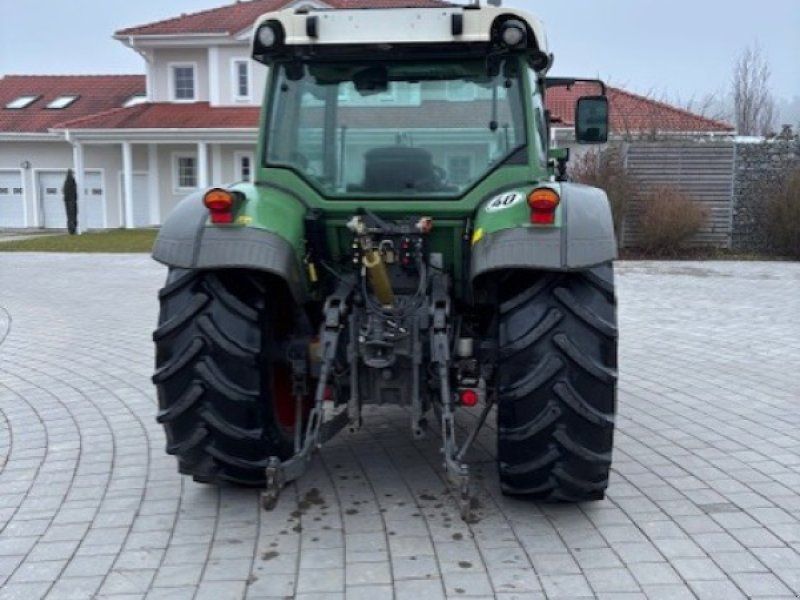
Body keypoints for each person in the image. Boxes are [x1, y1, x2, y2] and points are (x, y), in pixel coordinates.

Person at [63, 169, 78, 235]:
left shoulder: (66, 181)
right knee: (73, 215)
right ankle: (72, 229)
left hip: (67, 201)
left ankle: (71, 229)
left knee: (69, 216)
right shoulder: (72, 181)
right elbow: (74, 190)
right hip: (71, 201)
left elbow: (64, 191)